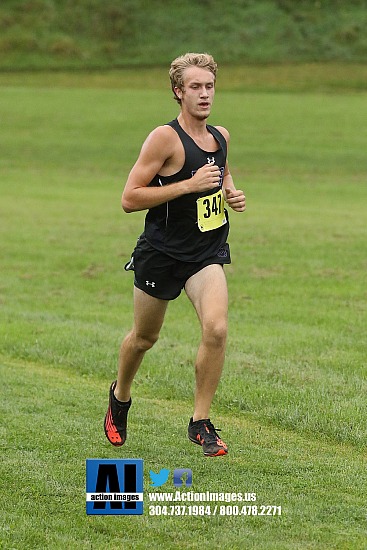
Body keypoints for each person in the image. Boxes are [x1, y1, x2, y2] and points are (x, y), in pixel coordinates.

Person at [104, 52, 246, 457]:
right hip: (162, 253)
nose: (204, 95)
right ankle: (121, 395)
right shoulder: (163, 139)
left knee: (216, 329)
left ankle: (200, 422)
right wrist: (187, 185)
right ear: (178, 92)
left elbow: (219, 169)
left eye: (210, 86)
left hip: (206, 251)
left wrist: (230, 191)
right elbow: (130, 198)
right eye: (195, 87)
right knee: (144, 338)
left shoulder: (221, 136)